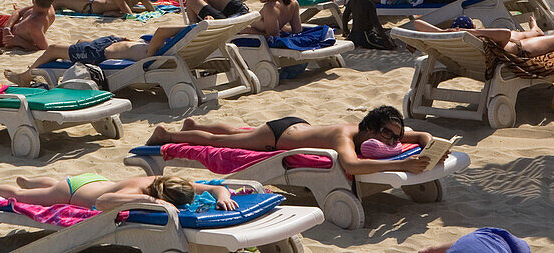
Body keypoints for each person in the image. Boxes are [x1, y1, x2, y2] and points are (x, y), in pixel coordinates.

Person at [145, 105, 434, 176]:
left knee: (236, 133)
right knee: (221, 142)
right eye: (387, 134)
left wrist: (431, 148)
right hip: (281, 136)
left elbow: (421, 135)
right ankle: (167, 134)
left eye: (396, 136)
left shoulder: (377, 132)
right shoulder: (344, 135)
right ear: (369, 128)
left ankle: (195, 122)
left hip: (296, 126)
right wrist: (404, 165)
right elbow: (350, 165)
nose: (393, 141)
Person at [0, 174, 232, 226]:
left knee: (51, 188)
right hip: (74, 193)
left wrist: (224, 196)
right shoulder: (140, 194)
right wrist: (154, 204)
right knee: (21, 196)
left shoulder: (163, 180)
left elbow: (209, 187)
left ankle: (38, 181)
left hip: (87, 180)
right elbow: (104, 202)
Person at [4, 24, 193, 86]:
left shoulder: (154, 54)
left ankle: (25, 76)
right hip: (111, 42)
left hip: (98, 54)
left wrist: (190, 27)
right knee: (77, 43)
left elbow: (160, 30)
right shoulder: (168, 46)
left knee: (53, 48)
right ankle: (62, 60)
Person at [411, 14, 554, 56]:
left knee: (518, 34)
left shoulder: (450, 40)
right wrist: (471, 31)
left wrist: (442, 32)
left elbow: (418, 23)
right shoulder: (478, 39)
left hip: (512, 43)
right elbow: (502, 33)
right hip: (520, 51)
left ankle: (535, 30)